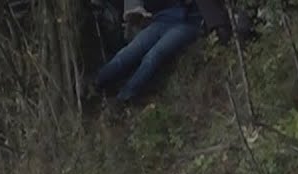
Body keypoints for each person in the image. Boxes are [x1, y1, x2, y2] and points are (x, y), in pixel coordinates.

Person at [91, 0, 228, 107]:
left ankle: (124, 97)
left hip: (190, 21)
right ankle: (96, 83)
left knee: (153, 55)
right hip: (164, 17)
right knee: (131, 50)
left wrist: (217, 26)